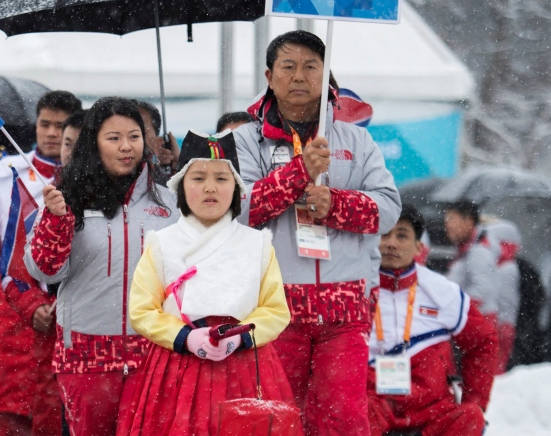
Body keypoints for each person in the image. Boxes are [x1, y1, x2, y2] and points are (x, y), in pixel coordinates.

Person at [235, 30, 401, 436]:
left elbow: (389, 210)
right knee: (277, 420)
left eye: (311, 66)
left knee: (343, 421)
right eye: (288, 66)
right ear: (269, 76)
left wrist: (336, 205)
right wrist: (298, 173)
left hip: (344, 308)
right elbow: (239, 211)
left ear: (326, 76)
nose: (299, 76)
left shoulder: (357, 140)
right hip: (272, 306)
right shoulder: (242, 141)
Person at [117, 130, 298, 436]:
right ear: (181, 186)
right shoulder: (161, 243)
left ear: (237, 187)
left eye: (222, 179)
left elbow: (276, 311)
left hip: (244, 363)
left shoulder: (258, 244)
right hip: (177, 366)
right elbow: (142, 311)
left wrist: (239, 338)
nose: (210, 187)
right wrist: (186, 338)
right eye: (198, 178)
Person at [25, 97, 180, 436]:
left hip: (152, 350)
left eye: (134, 136)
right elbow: (46, 271)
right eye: (113, 138)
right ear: (94, 142)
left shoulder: (169, 202)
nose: (126, 146)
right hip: (86, 352)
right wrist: (55, 220)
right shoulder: (66, 198)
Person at [0, 90, 82, 436]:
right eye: (44, 124)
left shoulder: (91, 182)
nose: (51, 133)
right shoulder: (6, 174)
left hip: (72, 308)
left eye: (60, 127)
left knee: (67, 412)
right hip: (12, 306)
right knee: (13, 413)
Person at [367, 205, 497, 436]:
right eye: (384, 234)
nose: (391, 243)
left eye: (402, 235)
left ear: (419, 246)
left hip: (432, 415)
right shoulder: (353, 287)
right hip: (373, 412)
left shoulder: (442, 291)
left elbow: (483, 342)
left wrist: (475, 400)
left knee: (470, 418)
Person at [443, 201, 499, 323]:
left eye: (451, 219)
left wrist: (451, 306)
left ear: (468, 221)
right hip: (470, 323)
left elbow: (482, 291)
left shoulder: (479, 252)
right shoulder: (466, 249)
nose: (447, 224)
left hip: (477, 325)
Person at [480, 218, 520, 371]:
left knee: (493, 368)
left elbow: (502, 300)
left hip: (500, 324)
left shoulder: (505, 269)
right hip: (502, 323)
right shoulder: (506, 266)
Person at [136, 100, 180, 182]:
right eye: (115, 137)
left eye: (136, 134)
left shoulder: (164, 181)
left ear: (158, 143)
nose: (126, 143)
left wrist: (178, 168)